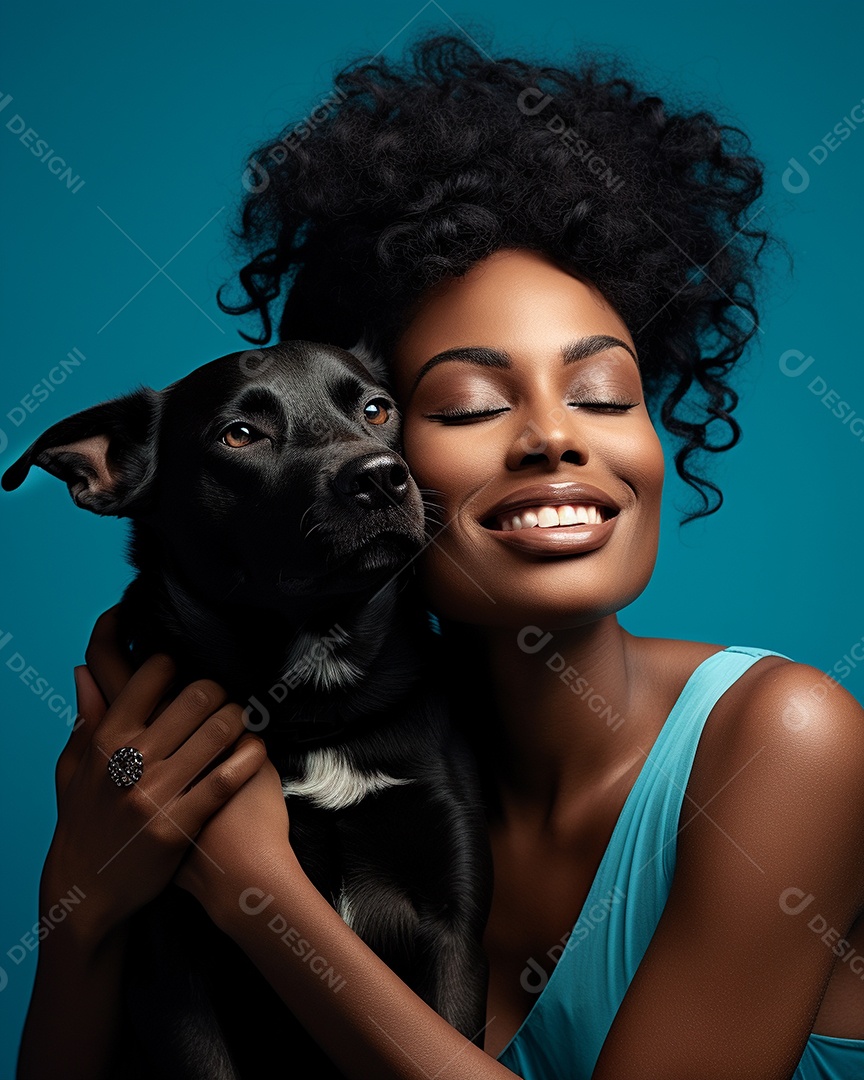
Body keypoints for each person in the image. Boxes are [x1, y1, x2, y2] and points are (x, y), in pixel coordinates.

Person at [17, 31, 864, 1080]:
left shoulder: (787, 739)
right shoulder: (347, 758)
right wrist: (83, 900)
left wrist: (260, 891)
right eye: (466, 403)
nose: (558, 435)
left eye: (606, 394)